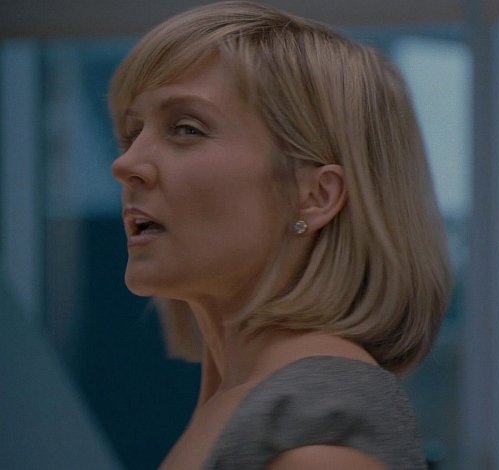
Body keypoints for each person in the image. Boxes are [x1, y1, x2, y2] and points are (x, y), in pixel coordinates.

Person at [108, 1, 452, 468]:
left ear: (314, 195)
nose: (126, 163)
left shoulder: (318, 439)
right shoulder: (249, 401)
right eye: (133, 134)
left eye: (186, 129)